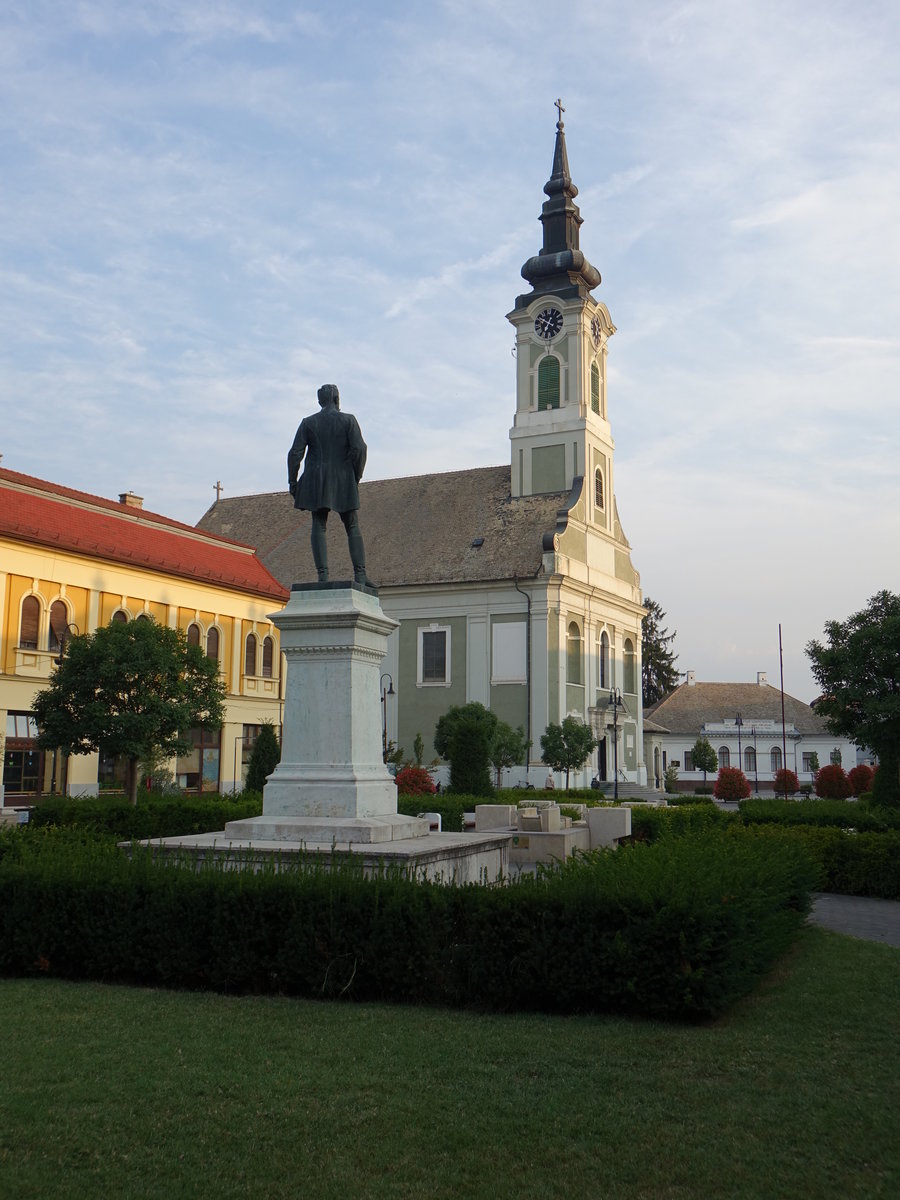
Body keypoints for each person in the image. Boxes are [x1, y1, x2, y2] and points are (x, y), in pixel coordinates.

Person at [288, 383, 367, 583]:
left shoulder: (308, 422)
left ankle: (322, 575)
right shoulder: (348, 420)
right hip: (343, 477)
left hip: (317, 478)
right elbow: (360, 449)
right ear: (337, 399)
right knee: (352, 525)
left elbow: (295, 453)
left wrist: (293, 481)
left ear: (320, 401)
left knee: (318, 523)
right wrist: (355, 476)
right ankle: (360, 574)